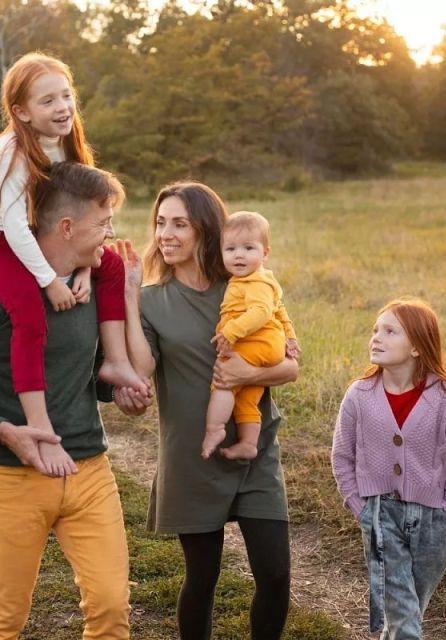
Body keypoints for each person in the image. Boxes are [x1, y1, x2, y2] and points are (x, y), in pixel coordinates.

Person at [0, 162, 133, 639]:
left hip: (89, 471)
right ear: (67, 227)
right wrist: (3, 431)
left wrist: (116, 391)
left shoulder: (89, 286)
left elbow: (85, 372)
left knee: (110, 607)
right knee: (5, 620)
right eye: (103, 223)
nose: (110, 233)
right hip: (11, 479)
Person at [112, 183, 297, 640]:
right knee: (203, 576)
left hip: (254, 447)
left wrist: (247, 374)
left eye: (180, 223)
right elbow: (143, 367)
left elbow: (290, 368)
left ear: (205, 230)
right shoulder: (152, 299)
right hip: (192, 455)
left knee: (275, 573)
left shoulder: (243, 286)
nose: (166, 234)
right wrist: (131, 298)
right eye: (160, 223)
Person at [0, 51, 147, 475]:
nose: (63, 107)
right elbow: (12, 228)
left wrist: (84, 267)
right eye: (47, 101)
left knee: (112, 266)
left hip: (33, 230)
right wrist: (49, 281)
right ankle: (40, 423)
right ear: (21, 112)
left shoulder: (65, 141)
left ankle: (115, 361)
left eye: (66, 96)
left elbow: (83, 208)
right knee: (29, 316)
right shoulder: (7, 154)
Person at [330, 298, 446, 640]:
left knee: (408, 610)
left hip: (432, 521)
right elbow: (342, 456)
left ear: (416, 347)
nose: (376, 337)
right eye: (375, 330)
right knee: (403, 614)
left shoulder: (445, 398)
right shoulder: (359, 395)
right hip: (379, 514)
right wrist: (360, 507)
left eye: (390, 331)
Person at [202, 210, 300, 460]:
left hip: (256, 342)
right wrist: (290, 337)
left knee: (225, 380)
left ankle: (215, 428)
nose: (239, 255)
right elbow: (279, 310)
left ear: (265, 253)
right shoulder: (261, 280)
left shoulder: (254, 282)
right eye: (231, 249)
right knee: (246, 398)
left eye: (248, 248)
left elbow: (262, 312)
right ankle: (248, 443)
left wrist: (231, 331)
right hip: (269, 346)